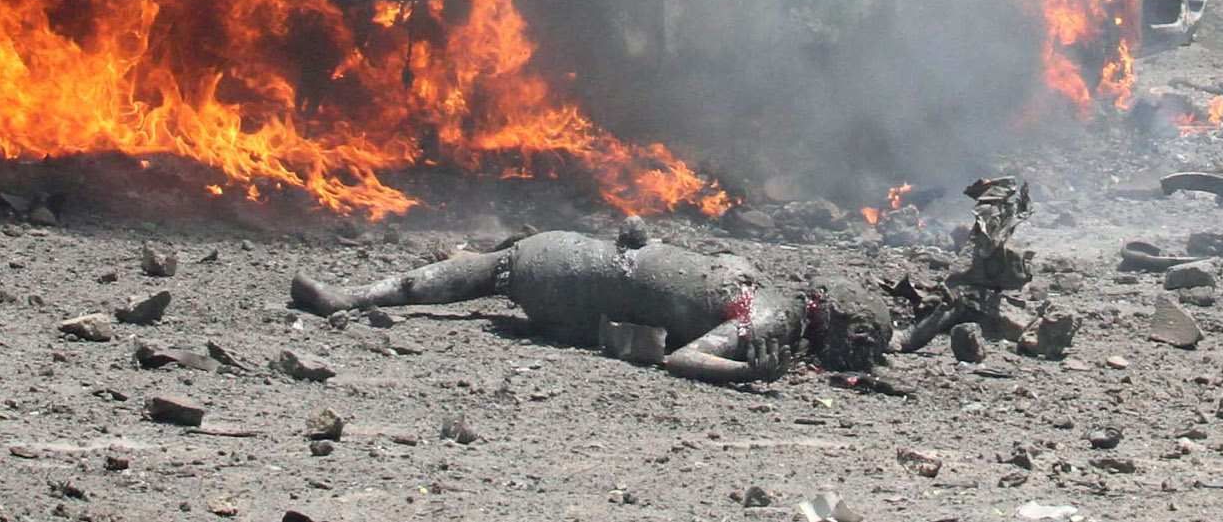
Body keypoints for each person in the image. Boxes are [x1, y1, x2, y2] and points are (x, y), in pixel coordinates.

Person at [289, 221, 888, 384]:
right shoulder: (770, 307)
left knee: (496, 268)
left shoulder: (767, 318)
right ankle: (350, 295)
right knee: (491, 271)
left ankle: (351, 296)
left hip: (587, 278)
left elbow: (682, 360)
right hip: (599, 269)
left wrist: (741, 370)